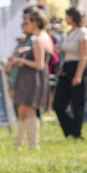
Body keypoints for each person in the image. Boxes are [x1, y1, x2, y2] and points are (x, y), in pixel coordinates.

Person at [8, 9, 54, 150]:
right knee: (23, 110)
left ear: (35, 22)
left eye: (29, 20)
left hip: (33, 78)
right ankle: (19, 144)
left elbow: (39, 64)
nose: (26, 23)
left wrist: (20, 61)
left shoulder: (38, 40)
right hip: (34, 77)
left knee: (29, 110)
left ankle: (33, 144)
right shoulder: (43, 37)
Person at [53, 7, 87, 139]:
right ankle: (70, 130)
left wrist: (79, 74)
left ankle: (76, 132)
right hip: (67, 68)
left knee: (77, 103)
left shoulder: (83, 32)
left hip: (77, 67)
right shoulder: (70, 33)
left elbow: (84, 55)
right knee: (58, 103)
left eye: (67, 16)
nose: (66, 19)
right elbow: (68, 52)